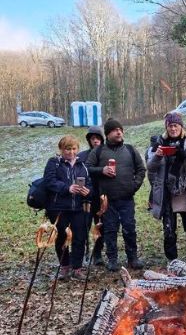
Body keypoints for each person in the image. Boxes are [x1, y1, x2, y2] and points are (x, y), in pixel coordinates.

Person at [86, 119, 146, 271]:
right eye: (115, 130)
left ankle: (133, 258)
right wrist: (102, 170)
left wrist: (134, 186)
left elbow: (141, 169)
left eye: (120, 129)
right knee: (110, 230)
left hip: (127, 199)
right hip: (107, 201)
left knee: (129, 229)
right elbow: (86, 168)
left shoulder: (130, 150)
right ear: (107, 134)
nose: (119, 132)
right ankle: (112, 259)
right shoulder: (98, 151)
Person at [147, 112, 186, 262]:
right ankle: (172, 261)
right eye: (170, 126)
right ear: (166, 127)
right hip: (167, 193)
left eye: (176, 125)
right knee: (169, 229)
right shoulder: (159, 141)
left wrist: (184, 155)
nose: (173, 129)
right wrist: (158, 155)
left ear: (181, 126)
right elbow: (150, 166)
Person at [42, 136, 93, 280]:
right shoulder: (54, 163)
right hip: (58, 208)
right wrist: (67, 188)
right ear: (61, 149)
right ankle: (65, 267)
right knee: (62, 238)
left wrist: (87, 191)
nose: (71, 152)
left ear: (77, 149)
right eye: (67, 149)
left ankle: (77, 269)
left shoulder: (82, 165)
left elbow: (89, 184)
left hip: (78, 207)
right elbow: (49, 182)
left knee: (79, 237)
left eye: (74, 149)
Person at [81, 126, 106, 266]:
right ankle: (84, 251)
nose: (95, 141)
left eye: (97, 138)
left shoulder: (106, 155)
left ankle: (97, 254)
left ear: (102, 139)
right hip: (85, 199)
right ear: (89, 140)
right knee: (83, 226)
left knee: (100, 226)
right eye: (92, 139)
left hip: (101, 198)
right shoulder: (83, 156)